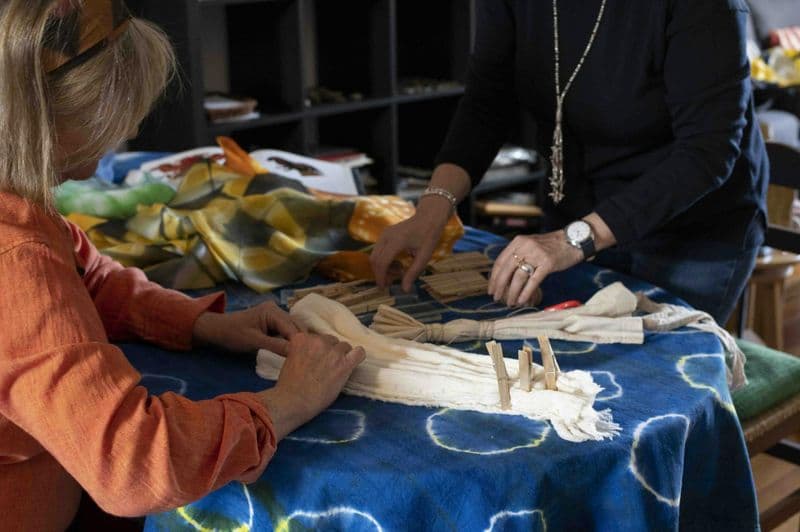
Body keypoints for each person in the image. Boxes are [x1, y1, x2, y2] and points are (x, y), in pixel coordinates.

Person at [0, 1, 364, 530]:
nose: (103, 161)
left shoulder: (21, 210)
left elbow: (87, 276)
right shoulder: (15, 258)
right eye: (104, 133)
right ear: (44, 123)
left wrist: (200, 323)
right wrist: (287, 402)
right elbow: (131, 463)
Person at [371, 0, 768, 325]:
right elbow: (486, 103)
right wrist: (432, 209)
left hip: (689, 232)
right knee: (562, 369)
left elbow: (707, 153)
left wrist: (574, 238)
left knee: (642, 384)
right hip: (580, 211)